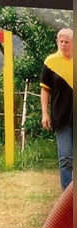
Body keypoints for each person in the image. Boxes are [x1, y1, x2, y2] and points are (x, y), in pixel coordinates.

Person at [40, 28, 73, 191]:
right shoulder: (50, 62)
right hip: (62, 116)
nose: (64, 44)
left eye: (67, 42)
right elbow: (45, 90)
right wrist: (45, 113)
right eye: (61, 41)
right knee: (65, 158)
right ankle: (67, 199)